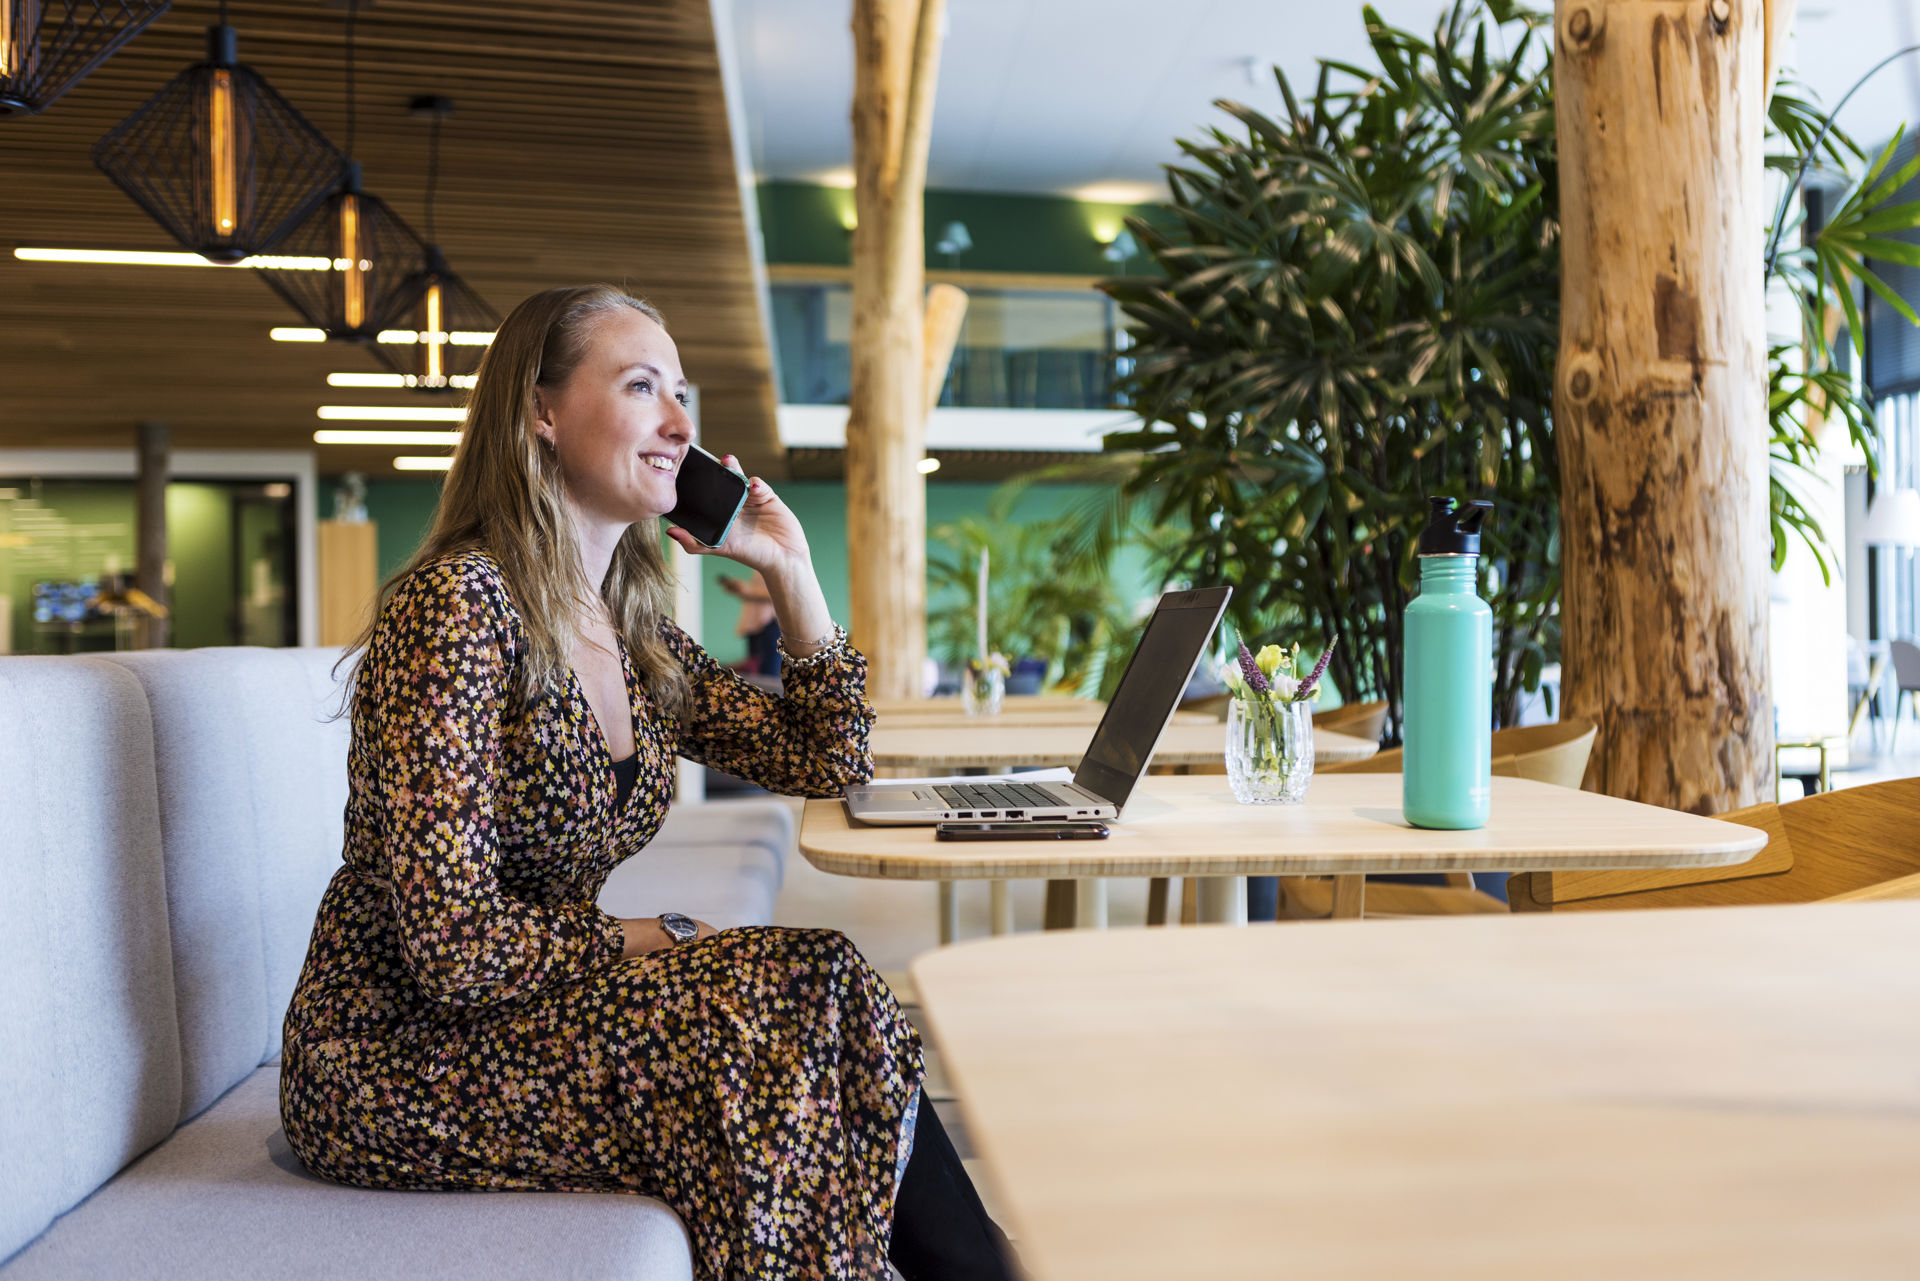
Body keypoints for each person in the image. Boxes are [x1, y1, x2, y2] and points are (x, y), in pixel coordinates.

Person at [281, 284, 1013, 1280]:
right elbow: (451, 950)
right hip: (396, 1052)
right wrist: (653, 936)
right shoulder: (454, 609)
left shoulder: (632, 634)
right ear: (541, 411)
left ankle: (976, 1268)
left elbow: (828, 760)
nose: (679, 425)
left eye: (682, 395)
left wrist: (791, 573)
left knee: (825, 972)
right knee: (765, 1014)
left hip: (536, 1013)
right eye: (641, 387)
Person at [720, 569, 783, 677]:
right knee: (756, 673)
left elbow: (780, 594)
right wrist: (740, 589)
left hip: (768, 624)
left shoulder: (778, 565)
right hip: (756, 625)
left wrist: (748, 589)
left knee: (767, 675)